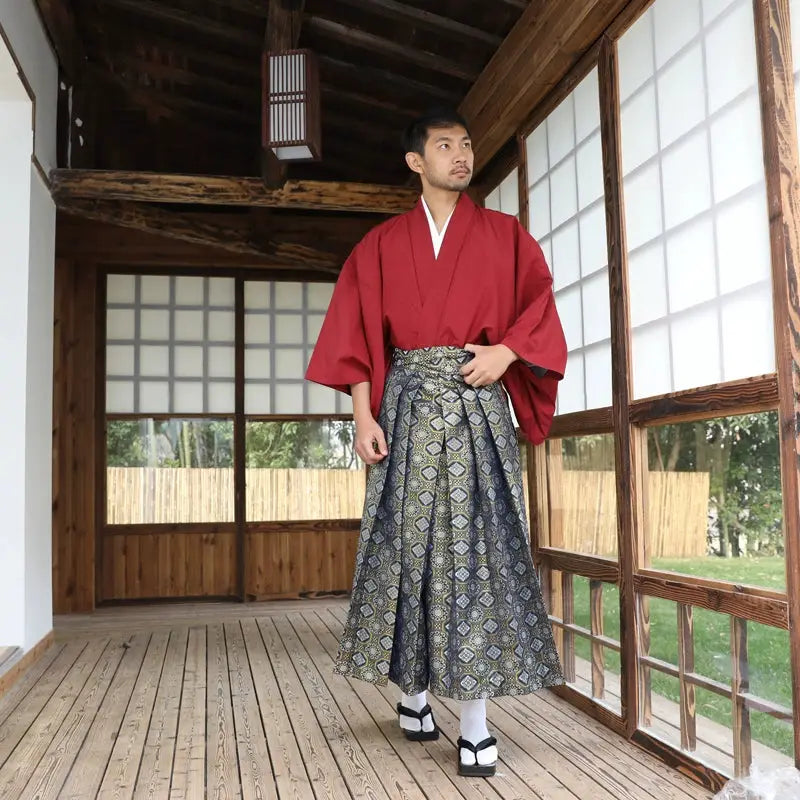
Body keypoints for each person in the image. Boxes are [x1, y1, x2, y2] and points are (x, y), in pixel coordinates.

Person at [305, 108, 566, 777]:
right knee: (409, 553)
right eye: (444, 145)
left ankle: (475, 723)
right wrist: (364, 416)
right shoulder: (382, 245)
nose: (460, 154)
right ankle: (414, 694)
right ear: (415, 161)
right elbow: (357, 335)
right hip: (408, 415)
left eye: (466, 144)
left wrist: (507, 352)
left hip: (478, 409)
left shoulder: (506, 237)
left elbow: (539, 309)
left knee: (476, 556)